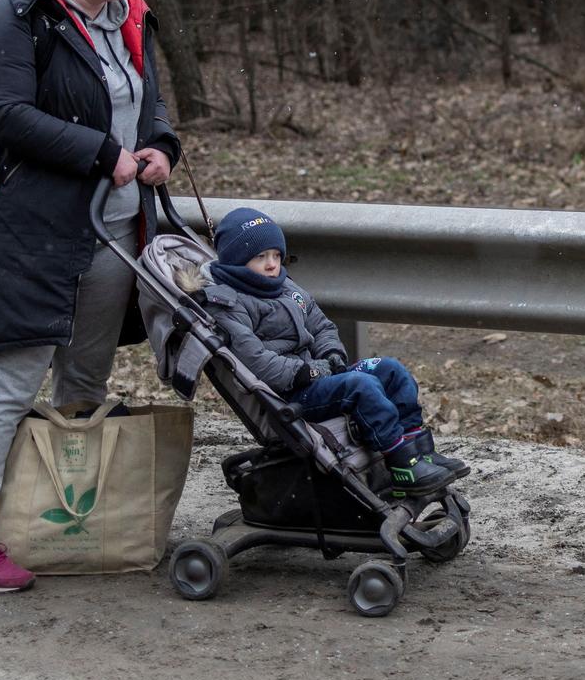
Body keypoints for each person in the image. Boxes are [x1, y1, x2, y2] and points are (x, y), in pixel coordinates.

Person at [0, 0, 183, 593]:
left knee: (85, 379)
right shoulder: (21, 16)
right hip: (31, 232)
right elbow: (8, 116)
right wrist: (103, 153)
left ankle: (67, 522)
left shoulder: (128, 15)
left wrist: (161, 147)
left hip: (114, 234)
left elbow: (146, 104)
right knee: (11, 378)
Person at [200, 206, 467, 496]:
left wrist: (332, 355)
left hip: (319, 374)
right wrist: (309, 371)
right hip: (292, 394)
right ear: (237, 261)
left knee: (390, 370)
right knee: (360, 386)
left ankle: (420, 451)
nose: (271, 265)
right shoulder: (228, 304)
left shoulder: (287, 288)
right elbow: (257, 363)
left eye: (276, 255)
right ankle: (401, 463)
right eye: (260, 257)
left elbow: (322, 327)